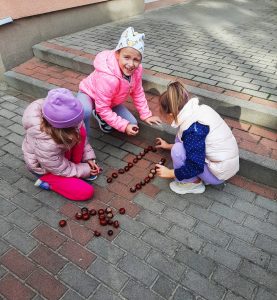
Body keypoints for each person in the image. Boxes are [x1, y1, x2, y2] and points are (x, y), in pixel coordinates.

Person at [155, 81, 239, 195]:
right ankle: (202, 176)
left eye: (163, 114)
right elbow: (193, 144)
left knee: (177, 150)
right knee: (179, 140)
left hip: (218, 174)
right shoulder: (198, 111)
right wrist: (167, 146)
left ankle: (192, 184)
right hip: (224, 165)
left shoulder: (193, 129)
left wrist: (169, 173)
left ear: (170, 114)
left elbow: (195, 165)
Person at [77, 26, 161, 135]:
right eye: (126, 57)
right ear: (117, 54)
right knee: (85, 111)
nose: (131, 64)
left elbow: (138, 92)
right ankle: (83, 142)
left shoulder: (137, 71)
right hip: (89, 95)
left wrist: (146, 115)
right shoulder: (108, 78)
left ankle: (99, 115)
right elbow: (103, 108)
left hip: (110, 101)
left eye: (136, 60)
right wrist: (124, 126)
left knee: (132, 122)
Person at [22, 88, 100, 201]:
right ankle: (47, 182)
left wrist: (88, 158)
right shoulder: (47, 143)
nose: (77, 124)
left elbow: (82, 136)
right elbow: (60, 168)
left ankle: (75, 167)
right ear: (63, 129)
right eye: (74, 125)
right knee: (86, 192)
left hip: (58, 158)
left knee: (81, 131)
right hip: (47, 169)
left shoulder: (71, 117)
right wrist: (84, 170)